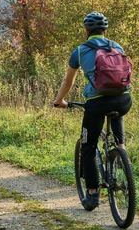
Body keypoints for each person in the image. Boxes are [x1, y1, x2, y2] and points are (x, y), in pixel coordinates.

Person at [52, 12, 132, 211]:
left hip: (97, 103)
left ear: (86, 31)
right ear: (105, 31)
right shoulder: (117, 47)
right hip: (123, 100)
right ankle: (121, 151)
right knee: (117, 117)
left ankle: (93, 194)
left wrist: (59, 100)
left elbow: (68, 81)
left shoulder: (80, 51)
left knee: (87, 147)